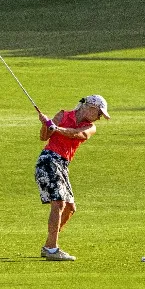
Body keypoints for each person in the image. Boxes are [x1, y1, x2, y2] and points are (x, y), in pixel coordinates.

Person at [35, 94, 109, 262]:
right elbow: (44, 137)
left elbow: (77, 134)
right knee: (59, 203)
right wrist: (45, 125)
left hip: (62, 164)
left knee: (70, 208)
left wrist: (55, 128)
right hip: (49, 159)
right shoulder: (62, 115)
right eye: (99, 113)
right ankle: (52, 248)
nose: (99, 117)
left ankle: (48, 244)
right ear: (90, 107)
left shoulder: (90, 127)